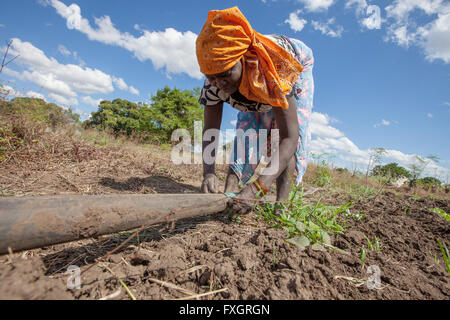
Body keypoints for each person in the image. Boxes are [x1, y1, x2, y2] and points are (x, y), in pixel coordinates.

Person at [196, 7, 314, 214]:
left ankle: (281, 206)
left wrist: (257, 188)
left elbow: (290, 137)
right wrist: (208, 172)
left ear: (243, 59)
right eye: (211, 77)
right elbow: (210, 131)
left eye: (226, 74)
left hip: (296, 62)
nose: (219, 83)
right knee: (247, 131)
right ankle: (230, 194)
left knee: (281, 136)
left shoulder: (274, 73)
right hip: (252, 82)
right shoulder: (213, 83)